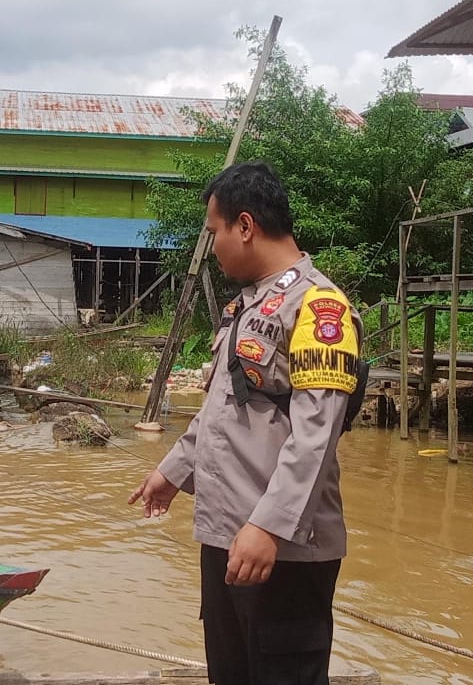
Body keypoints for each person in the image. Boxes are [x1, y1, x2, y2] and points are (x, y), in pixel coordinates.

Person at [129, 161, 361, 685]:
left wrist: (268, 527)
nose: (212, 247)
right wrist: (171, 472)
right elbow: (221, 410)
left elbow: (316, 435)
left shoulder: (318, 307)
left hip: (281, 549)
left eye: (215, 232)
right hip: (229, 537)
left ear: (246, 226)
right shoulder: (248, 306)